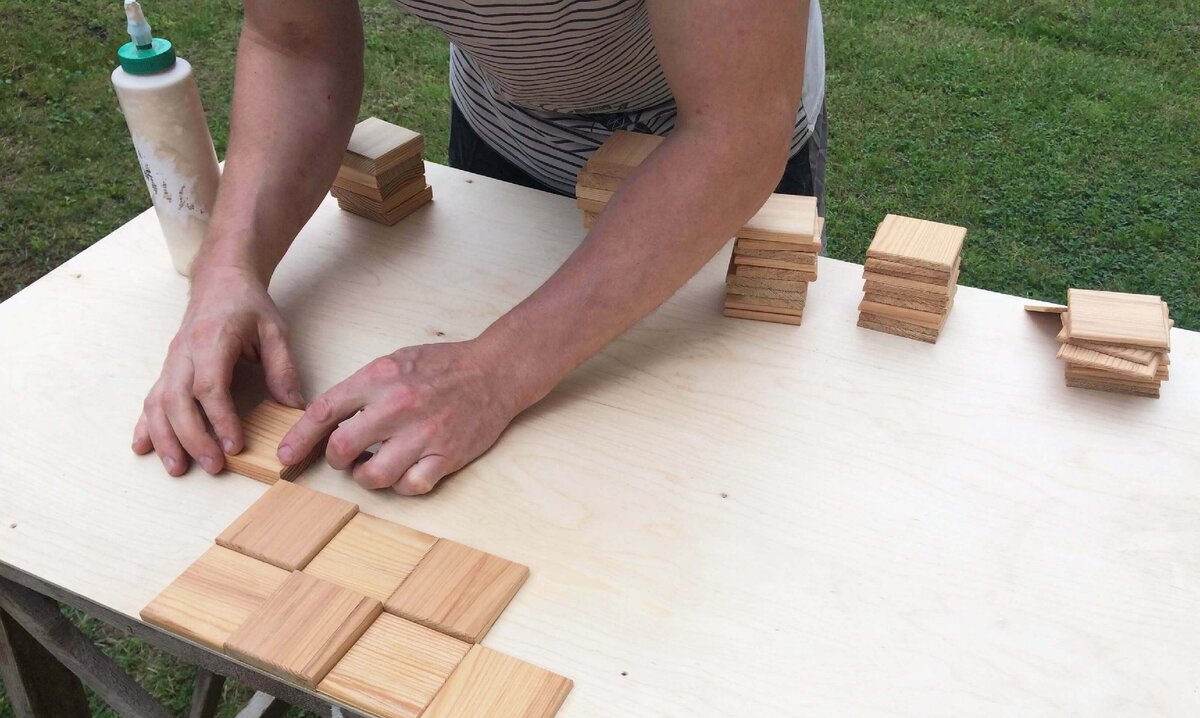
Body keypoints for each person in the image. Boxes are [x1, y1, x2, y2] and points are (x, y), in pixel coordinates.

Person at [134, 0, 826, 494]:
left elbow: (733, 127)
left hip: (704, 137)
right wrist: (228, 270)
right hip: (508, 114)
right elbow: (295, 42)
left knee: (684, 474)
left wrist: (499, 370)